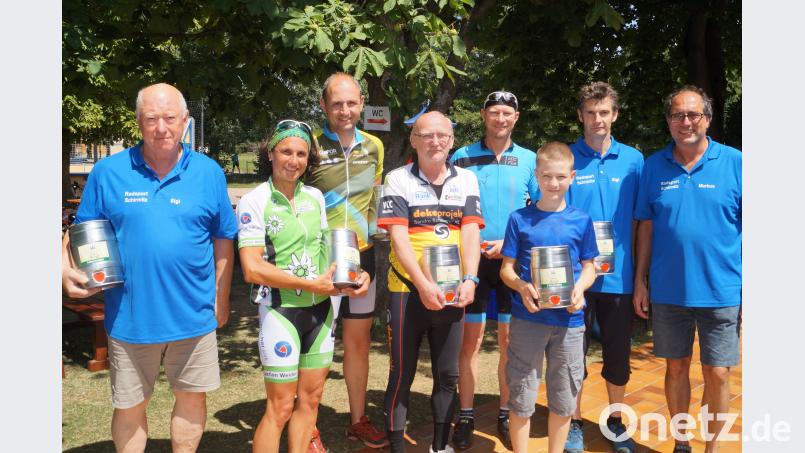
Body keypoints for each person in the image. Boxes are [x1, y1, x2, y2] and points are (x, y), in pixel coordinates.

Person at [61, 83, 237, 453]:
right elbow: (79, 230)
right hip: (130, 314)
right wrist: (64, 269)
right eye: (152, 119)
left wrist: (221, 297)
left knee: (191, 400)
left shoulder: (208, 172)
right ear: (139, 122)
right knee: (129, 405)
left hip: (194, 314)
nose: (161, 128)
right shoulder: (109, 172)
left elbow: (223, 236)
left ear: (185, 121)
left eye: (170, 118)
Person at [237, 120, 371, 453]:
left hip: (322, 312)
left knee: (310, 401)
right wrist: (309, 283)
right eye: (286, 151)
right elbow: (253, 269)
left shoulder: (314, 197)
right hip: (282, 312)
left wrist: (354, 276)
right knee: (280, 407)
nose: (293, 160)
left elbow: (327, 251)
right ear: (271, 153)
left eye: (301, 153)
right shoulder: (254, 201)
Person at [633, 86, 741, 453]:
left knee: (719, 373)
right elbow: (645, 226)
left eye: (693, 114)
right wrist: (639, 281)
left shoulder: (736, 163)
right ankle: (681, 443)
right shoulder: (653, 167)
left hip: (722, 289)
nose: (685, 122)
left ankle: (712, 447)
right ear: (668, 121)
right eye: (678, 115)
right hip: (669, 290)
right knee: (676, 368)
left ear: (707, 119)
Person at [379, 111, 483, 453]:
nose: (435, 141)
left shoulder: (466, 179)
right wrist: (423, 284)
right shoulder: (396, 179)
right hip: (408, 291)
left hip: (453, 292)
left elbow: (469, 232)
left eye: (442, 135)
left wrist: (471, 278)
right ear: (414, 140)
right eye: (426, 135)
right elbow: (399, 238)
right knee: (402, 374)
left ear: (452, 140)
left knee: (448, 374)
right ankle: (397, 445)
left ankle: (440, 445)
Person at [448, 90, 538, 449]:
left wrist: (510, 242)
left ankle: (504, 413)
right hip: (472, 263)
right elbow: (451, 206)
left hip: (511, 263)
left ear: (516, 118)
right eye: (494, 112)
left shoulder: (530, 158)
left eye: (507, 113)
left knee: (509, 344)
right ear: (484, 114)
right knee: (468, 343)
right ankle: (466, 415)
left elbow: (537, 210)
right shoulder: (463, 156)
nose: (501, 119)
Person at [305, 71, 387, 449]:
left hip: (361, 259)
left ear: (361, 104)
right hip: (317, 261)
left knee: (357, 344)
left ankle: (357, 420)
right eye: (337, 103)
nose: (345, 110)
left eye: (351, 102)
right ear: (324, 105)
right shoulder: (311, 145)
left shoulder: (374, 146)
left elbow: (374, 200)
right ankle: (308, 426)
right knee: (316, 345)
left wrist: (375, 236)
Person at [499, 141, 598, 453]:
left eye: (560, 177)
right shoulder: (519, 219)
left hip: (570, 321)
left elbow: (590, 268)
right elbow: (506, 269)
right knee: (522, 394)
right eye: (546, 177)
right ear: (537, 177)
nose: (553, 184)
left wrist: (580, 290)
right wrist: (521, 287)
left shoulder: (581, 220)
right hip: (528, 319)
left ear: (571, 177)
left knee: (564, 395)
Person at [563, 82, 644, 453]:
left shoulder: (634, 160)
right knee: (572, 356)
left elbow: (643, 221)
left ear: (615, 114)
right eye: (591, 112)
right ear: (580, 115)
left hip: (620, 276)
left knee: (617, 355)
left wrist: (641, 275)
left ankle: (615, 421)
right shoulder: (565, 158)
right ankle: (575, 422)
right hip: (575, 278)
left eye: (605, 112)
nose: (598, 119)